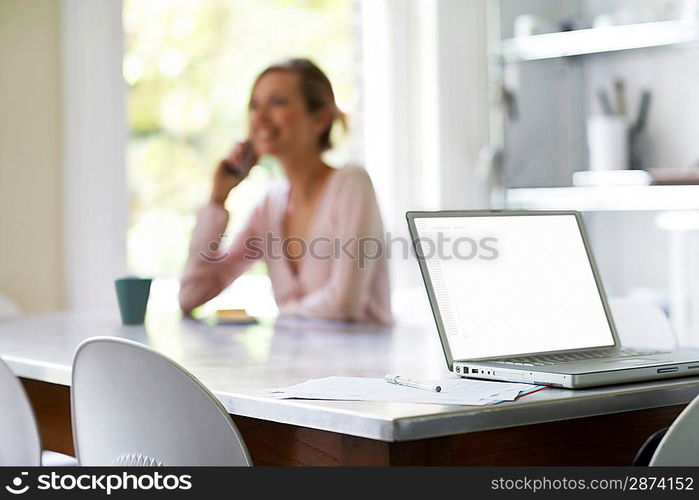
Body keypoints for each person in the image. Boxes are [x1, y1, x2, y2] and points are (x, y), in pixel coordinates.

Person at [179, 58, 392, 325]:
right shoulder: (271, 204)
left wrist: (281, 316)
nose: (260, 117)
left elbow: (343, 306)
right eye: (254, 106)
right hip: (302, 366)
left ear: (320, 119)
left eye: (277, 102)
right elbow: (191, 295)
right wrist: (217, 199)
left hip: (364, 365)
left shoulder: (351, 185)